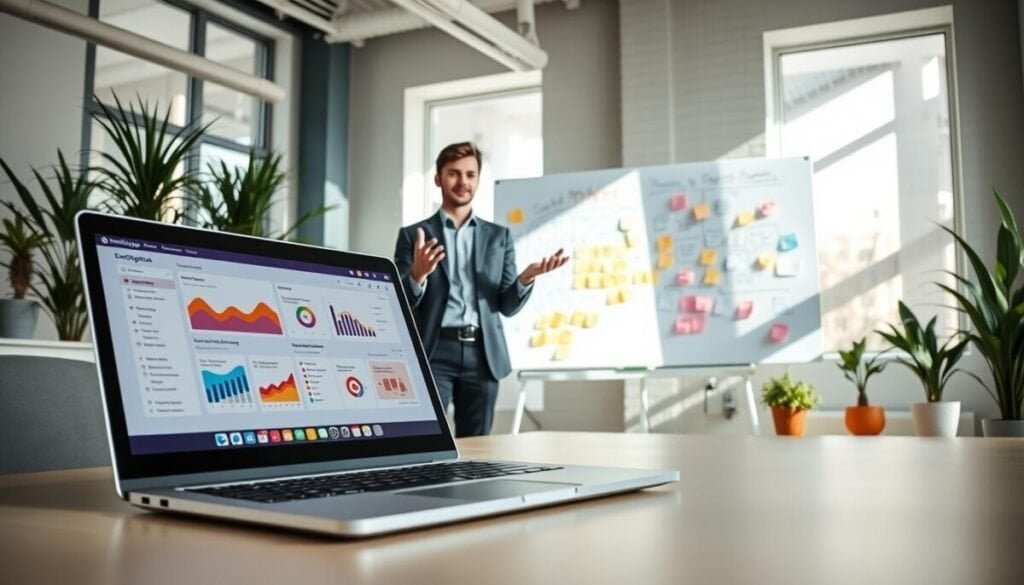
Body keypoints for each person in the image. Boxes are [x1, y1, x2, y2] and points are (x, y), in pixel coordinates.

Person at [394, 142, 567, 437]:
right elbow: (399, 303)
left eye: (470, 175)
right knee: (426, 437)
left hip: (483, 354)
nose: (463, 182)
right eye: (454, 173)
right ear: (438, 178)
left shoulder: (499, 237)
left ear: (478, 179)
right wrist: (417, 275)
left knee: (478, 445)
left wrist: (526, 277)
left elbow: (507, 306)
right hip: (435, 350)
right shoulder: (414, 235)